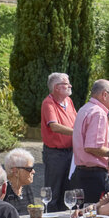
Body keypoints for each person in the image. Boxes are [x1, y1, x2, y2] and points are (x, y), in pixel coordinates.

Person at [69, 79, 109, 204]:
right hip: (94, 176)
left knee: (82, 214)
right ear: (104, 95)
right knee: (96, 216)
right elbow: (92, 147)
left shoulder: (85, 108)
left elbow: (97, 138)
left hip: (83, 173)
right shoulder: (98, 113)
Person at [40, 72, 76, 208]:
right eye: (66, 84)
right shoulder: (48, 103)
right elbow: (54, 126)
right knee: (53, 191)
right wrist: (77, 132)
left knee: (68, 190)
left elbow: (76, 120)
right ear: (56, 87)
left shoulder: (69, 101)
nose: (70, 86)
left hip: (70, 151)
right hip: (55, 153)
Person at [2, 147, 38, 214]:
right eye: (29, 169)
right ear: (16, 171)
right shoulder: (3, 192)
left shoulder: (26, 187)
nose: (33, 171)